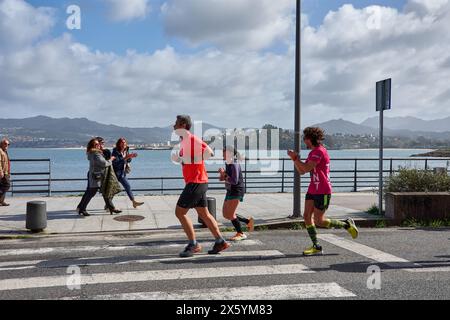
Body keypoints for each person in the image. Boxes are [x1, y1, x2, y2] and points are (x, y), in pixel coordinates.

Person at [287, 127, 359, 256]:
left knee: (319, 221)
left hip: (323, 190)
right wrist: (295, 159)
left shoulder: (319, 152)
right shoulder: (313, 152)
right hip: (313, 188)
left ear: (310, 139)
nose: (304, 141)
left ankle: (346, 224)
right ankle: (316, 246)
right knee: (307, 216)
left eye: (305, 139)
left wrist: (295, 159)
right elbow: (302, 171)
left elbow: (307, 168)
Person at [172, 115, 230, 258]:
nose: (173, 125)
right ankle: (220, 241)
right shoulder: (185, 141)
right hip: (198, 181)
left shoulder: (191, 139)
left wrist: (189, 160)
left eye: (176, 123)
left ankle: (193, 244)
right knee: (204, 214)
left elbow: (209, 152)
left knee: (179, 212)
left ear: (183, 125)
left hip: (196, 182)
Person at [76, 138, 122, 216]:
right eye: (96, 144)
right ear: (92, 146)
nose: (98, 145)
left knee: (103, 191)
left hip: (97, 175)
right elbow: (103, 163)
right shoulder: (96, 153)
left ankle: (111, 208)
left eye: (98, 144)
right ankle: (82, 209)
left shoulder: (93, 153)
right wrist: (111, 160)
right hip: (96, 176)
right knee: (91, 192)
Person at [219, 145, 254, 241]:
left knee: (230, 214)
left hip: (237, 190)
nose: (222, 153)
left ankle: (240, 233)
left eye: (224, 152)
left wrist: (224, 175)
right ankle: (248, 221)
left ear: (229, 153)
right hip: (230, 190)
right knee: (226, 214)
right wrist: (222, 174)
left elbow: (234, 181)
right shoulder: (228, 163)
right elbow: (223, 178)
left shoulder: (234, 164)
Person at [112, 138, 144, 209]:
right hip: (115, 173)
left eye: (124, 143)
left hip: (122, 173)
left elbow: (128, 160)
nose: (124, 144)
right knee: (113, 189)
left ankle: (134, 202)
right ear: (119, 144)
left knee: (127, 186)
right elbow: (115, 163)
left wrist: (131, 157)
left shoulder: (126, 150)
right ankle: (108, 204)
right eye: (122, 143)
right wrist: (126, 157)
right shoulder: (115, 151)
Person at [0, 139, 11, 207]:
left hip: (6, 172)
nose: (7, 145)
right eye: (5, 143)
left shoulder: (5, 151)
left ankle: (2, 201)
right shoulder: (0, 151)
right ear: (1, 144)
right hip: (2, 172)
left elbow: (7, 163)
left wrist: (9, 172)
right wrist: (0, 172)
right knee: (7, 185)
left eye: (8, 144)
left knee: (1, 186)